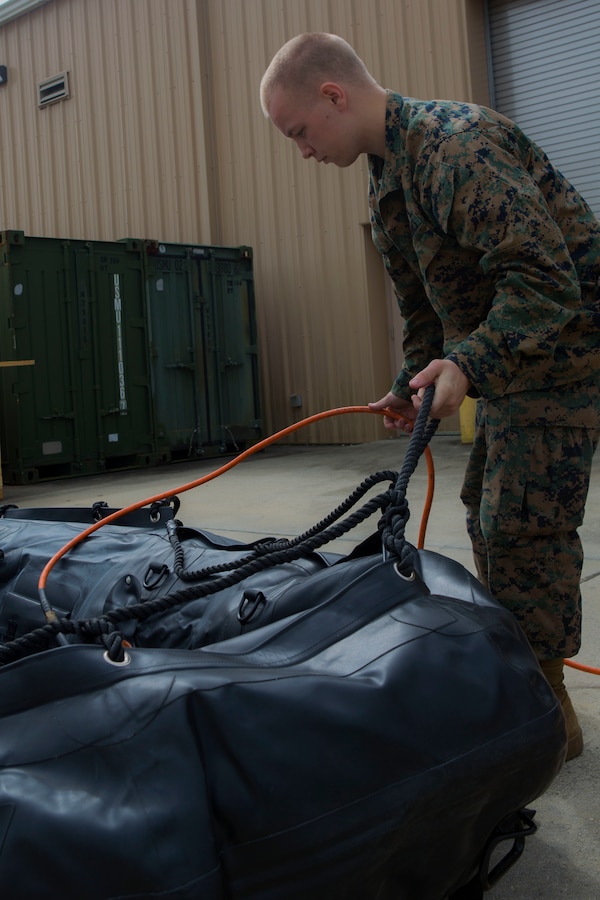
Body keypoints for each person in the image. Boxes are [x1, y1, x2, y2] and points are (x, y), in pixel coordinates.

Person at [260, 32, 600, 761]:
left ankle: (549, 715)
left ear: (333, 96)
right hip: (512, 358)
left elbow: (545, 282)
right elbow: (425, 312)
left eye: (298, 132)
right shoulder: (388, 180)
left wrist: (467, 363)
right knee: (486, 513)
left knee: (522, 524)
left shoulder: (456, 148)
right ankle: (524, 686)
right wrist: (408, 383)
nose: (303, 150)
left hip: (564, 346)